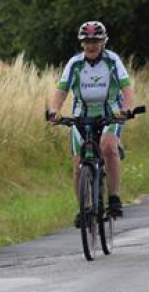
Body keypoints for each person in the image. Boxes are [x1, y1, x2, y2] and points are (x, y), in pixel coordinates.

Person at [47, 21, 135, 220]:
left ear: (103, 41)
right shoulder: (75, 63)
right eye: (87, 41)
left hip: (110, 114)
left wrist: (126, 108)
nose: (91, 45)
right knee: (78, 161)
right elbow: (61, 90)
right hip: (81, 116)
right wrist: (54, 110)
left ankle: (114, 198)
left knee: (108, 146)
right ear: (81, 44)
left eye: (95, 40)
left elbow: (126, 88)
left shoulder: (112, 61)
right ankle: (84, 209)